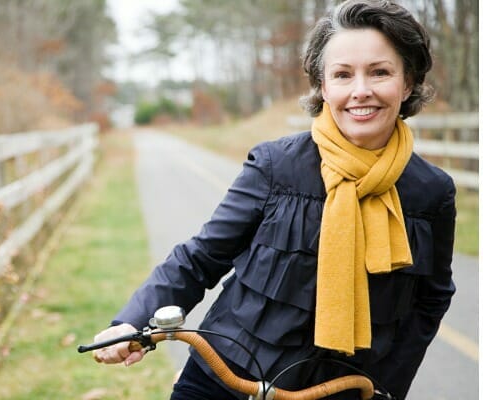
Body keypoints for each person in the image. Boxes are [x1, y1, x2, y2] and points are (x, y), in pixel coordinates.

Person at [91, 1, 456, 399]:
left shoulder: (432, 193)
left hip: (342, 389)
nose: (360, 90)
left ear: (407, 83)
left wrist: (386, 388)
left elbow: (429, 301)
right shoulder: (274, 165)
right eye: (342, 74)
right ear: (323, 86)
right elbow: (201, 257)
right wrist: (132, 322)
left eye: (380, 72)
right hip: (225, 377)